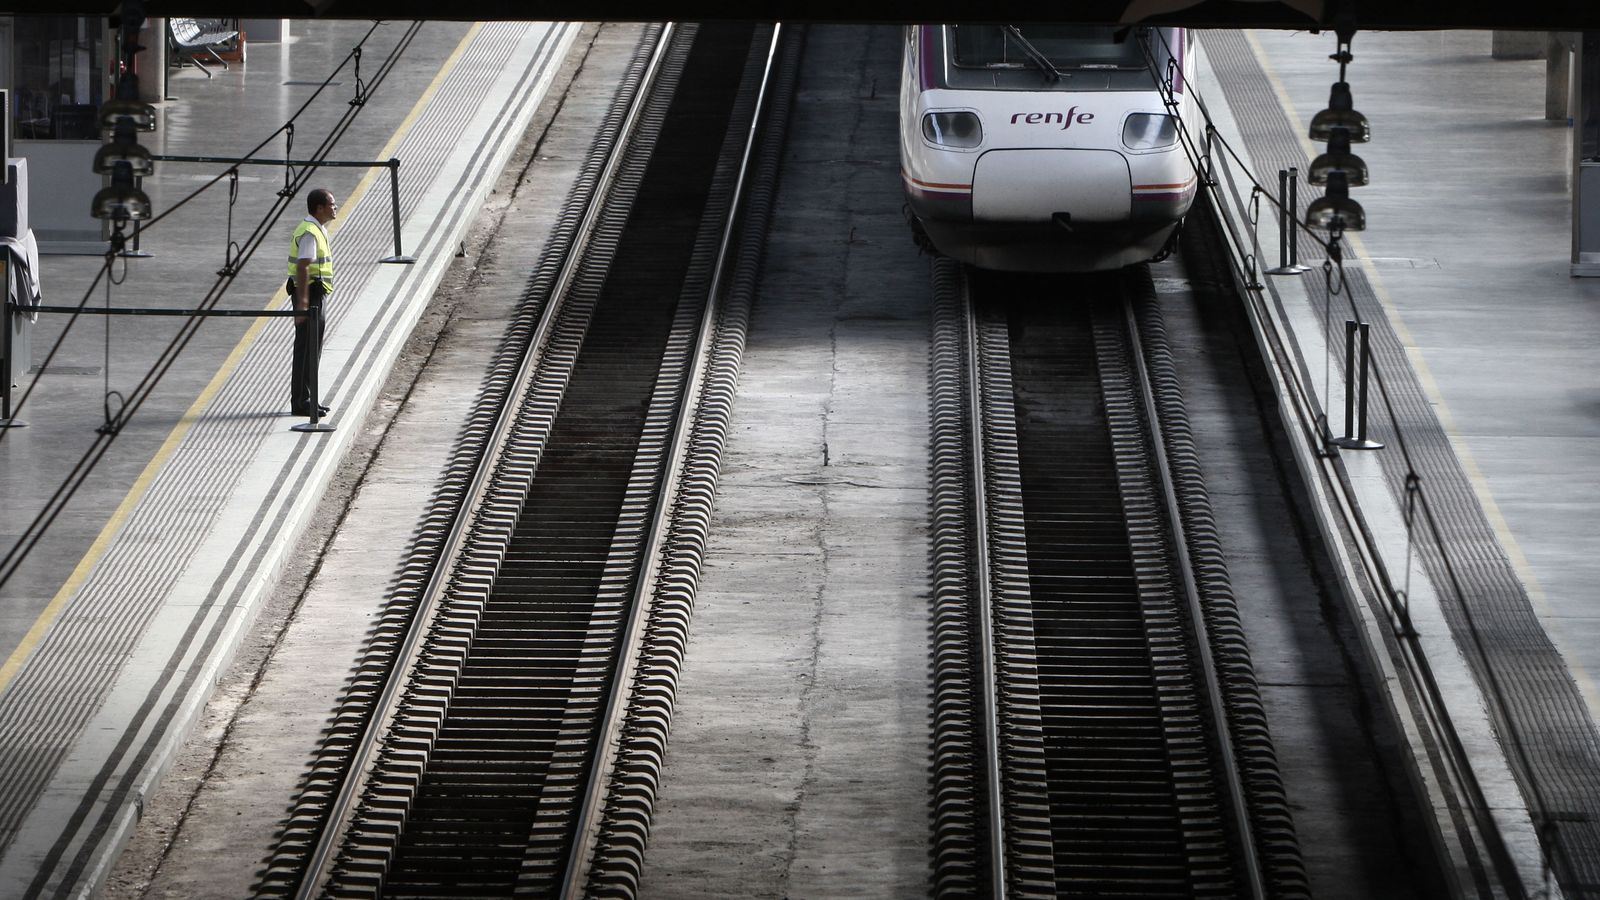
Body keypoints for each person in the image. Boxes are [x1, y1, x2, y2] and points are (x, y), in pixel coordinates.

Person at [287, 188, 337, 416]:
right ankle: (302, 402)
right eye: (331, 204)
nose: (335, 207)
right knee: (307, 349)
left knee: (312, 348)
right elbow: (303, 265)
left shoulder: (317, 229)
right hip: (310, 293)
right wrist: (304, 302)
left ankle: (310, 399)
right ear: (319, 208)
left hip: (316, 292)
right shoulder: (310, 232)